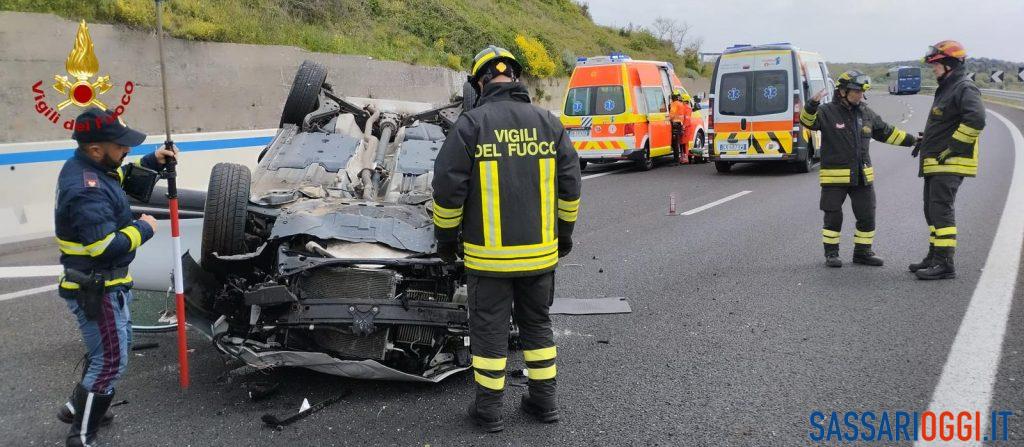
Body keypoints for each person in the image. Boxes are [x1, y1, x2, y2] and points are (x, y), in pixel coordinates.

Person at [432, 45, 582, 432]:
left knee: (489, 334)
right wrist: (563, 237)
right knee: (537, 327)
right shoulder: (549, 123)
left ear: (480, 83)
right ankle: (544, 403)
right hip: (540, 258)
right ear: (514, 78)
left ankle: (489, 411)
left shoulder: (470, 125)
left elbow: (447, 193)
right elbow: (571, 189)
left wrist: (446, 244)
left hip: (489, 261)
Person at [55, 108, 177, 446]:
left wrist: (153, 160)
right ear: (96, 149)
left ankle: (77, 407)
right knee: (110, 361)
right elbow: (103, 247)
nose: (127, 150)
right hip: (97, 287)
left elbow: (119, 178)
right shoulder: (85, 189)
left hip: (108, 284)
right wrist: (144, 228)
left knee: (109, 353)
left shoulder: (94, 169)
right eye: (120, 145)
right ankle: (81, 435)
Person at [799, 70, 917, 268]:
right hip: (834, 178)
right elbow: (807, 121)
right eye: (855, 91)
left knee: (867, 216)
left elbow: (888, 133)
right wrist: (811, 104)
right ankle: (832, 254)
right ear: (843, 91)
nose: (860, 95)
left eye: (862, 91)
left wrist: (913, 141)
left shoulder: (866, 113)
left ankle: (862, 253)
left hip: (862, 177)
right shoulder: (827, 111)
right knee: (833, 216)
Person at [909, 40, 985, 280]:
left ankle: (945, 263)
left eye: (937, 65)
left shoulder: (964, 87)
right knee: (931, 211)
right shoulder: (948, 87)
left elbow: (976, 119)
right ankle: (934, 256)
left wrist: (953, 147)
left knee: (941, 211)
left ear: (949, 64)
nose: (934, 69)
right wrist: (927, 139)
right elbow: (946, 123)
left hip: (950, 163)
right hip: (936, 162)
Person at [669, 89, 693, 164]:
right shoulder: (683, 105)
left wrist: (667, 118)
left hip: (677, 124)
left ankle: (679, 159)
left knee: (677, 142)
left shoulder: (675, 104)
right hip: (681, 125)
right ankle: (683, 157)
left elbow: (672, 114)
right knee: (681, 142)